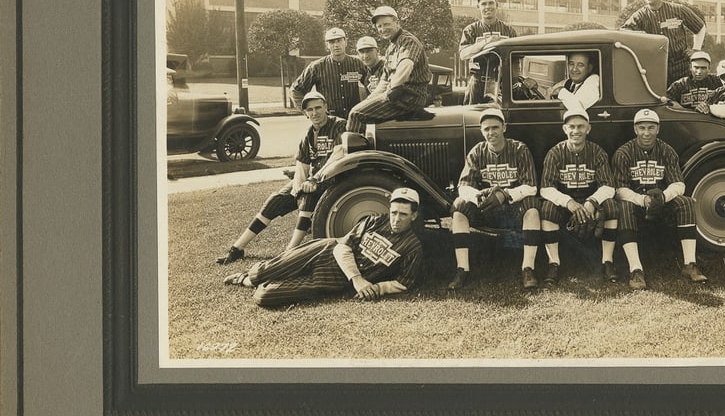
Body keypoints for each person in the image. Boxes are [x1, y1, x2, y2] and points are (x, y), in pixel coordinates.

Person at [222, 187, 425, 307]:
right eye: (394, 212)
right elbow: (342, 247)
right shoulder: (374, 221)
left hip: (333, 280)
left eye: (403, 214)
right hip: (326, 251)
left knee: (265, 296)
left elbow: (404, 283)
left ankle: (259, 282)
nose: (396, 219)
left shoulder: (412, 246)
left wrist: (377, 288)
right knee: (262, 272)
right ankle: (246, 278)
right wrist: (358, 280)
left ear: (414, 215)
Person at [215, 90, 347, 264]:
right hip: (311, 180)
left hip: (332, 179)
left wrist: (313, 181)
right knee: (275, 200)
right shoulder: (308, 135)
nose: (315, 113)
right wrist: (296, 191)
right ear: (305, 113)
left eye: (318, 108)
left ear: (326, 107)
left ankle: (289, 253)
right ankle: (237, 249)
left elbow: (339, 154)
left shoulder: (339, 125)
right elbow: (302, 164)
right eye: (310, 110)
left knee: (307, 199)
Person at [447, 108, 542, 291]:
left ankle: (528, 268)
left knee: (532, 207)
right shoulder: (477, 152)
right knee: (459, 207)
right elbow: (464, 186)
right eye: (486, 129)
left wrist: (505, 195)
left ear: (504, 127)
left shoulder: (519, 149)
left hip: (513, 210)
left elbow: (531, 186)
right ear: (481, 131)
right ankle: (462, 269)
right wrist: (477, 197)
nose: (491, 133)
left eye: (495, 127)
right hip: (486, 209)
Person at [611, 108, 707, 286]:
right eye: (642, 128)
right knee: (624, 206)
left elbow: (679, 184)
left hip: (662, 201)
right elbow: (619, 189)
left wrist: (663, 197)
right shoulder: (623, 153)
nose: (646, 133)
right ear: (635, 129)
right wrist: (642, 200)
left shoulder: (667, 151)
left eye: (650, 128)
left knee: (685, 202)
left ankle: (689, 264)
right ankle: (636, 269)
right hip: (636, 203)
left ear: (658, 129)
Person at [538, 109, 622, 289]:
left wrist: (591, 202)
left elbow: (608, 186)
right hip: (566, 202)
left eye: (581, 126)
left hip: (590, 200)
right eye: (572, 127)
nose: (576, 131)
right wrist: (568, 202)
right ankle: (554, 263)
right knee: (547, 209)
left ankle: (607, 260)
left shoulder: (597, 152)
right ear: (564, 129)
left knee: (612, 207)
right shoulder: (555, 153)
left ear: (588, 129)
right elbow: (546, 188)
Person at [345, 6, 432, 133]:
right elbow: (384, 81)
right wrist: (370, 100)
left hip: (410, 98)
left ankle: (355, 152)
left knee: (356, 115)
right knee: (359, 109)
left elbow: (405, 69)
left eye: (386, 24)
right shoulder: (391, 48)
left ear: (397, 22)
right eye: (379, 26)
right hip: (400, 97)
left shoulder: (408, 41)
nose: (383, 29)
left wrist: (388, 92)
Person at [621, 0, 706, 86]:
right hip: (655, 68)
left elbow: (700, 27)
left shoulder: (677, 9)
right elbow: (624, 32)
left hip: (680, 66)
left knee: (683, 97)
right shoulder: (640, 15)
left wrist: (696, 50)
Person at [289, 27, 366, 119]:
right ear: (327, 45)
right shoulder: (317, 67)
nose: (336, 45)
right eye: (332, 42)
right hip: (329, 121)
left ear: (345, 42)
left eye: (339, 41)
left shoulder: (358, 63)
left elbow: (372, 86)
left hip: (354, 119)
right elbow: (295, 90)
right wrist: (309, 112)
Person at [459, 0, 518, 104]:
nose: (488, 7)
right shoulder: (471, 30)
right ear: (478, 7)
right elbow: (463, 55)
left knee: (501, 117)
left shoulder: (508, 30)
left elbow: (517, 59)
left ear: (497, 5)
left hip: (502, 83)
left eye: (491, 3)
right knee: (472, 117)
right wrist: (485, 43)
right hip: (477, 82)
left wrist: (515, 80)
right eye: (483, 4)